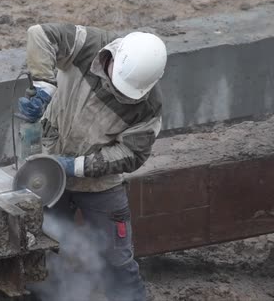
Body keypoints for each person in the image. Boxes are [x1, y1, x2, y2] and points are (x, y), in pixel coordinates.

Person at [19, 23, 167, 301]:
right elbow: (40, 34)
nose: (116, 91)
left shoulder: (148, 107)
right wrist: (43, 85)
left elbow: (132, 154)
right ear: (113, 56)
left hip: (100, 184)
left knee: (117, 259)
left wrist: (75, 167)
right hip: (49, 170)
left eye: (125, 92)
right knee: (39, 251)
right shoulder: (87, 44)